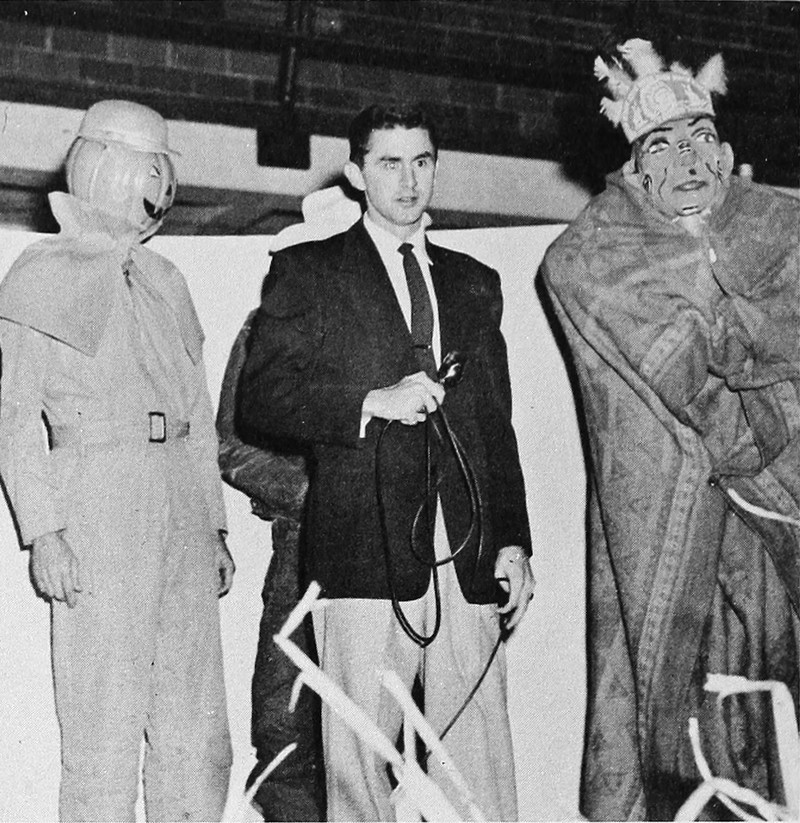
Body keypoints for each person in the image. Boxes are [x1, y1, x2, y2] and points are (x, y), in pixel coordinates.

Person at [238, 103, 535, 821]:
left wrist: (514, 541)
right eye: (389, 163)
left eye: (421, 162)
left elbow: (495, 426)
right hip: (362, 547)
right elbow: (261, 399)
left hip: (465, 549)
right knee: (359, 764)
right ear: (356, 172)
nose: (408, 181)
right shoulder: (309, 271)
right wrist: (371, 401)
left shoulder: (474, 282)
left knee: (478, 763)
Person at [541, 40, 799, 821]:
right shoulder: (592, 254)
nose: (686, 160)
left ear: (724, 154)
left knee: (776, 699)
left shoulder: (780, 227)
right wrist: (739, 335)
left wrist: (728, 325)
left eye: (700, 140)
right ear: (635, 167)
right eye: (661, 146)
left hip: (777, 515)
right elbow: (690, 367)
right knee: (691, 715)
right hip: (676, 524)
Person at [0, 100, 234, 821]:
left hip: (182, 512)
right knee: (102, 733)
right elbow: (14, 414)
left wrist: (214, 528)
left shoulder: (168, 280)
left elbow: (196, 417)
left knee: (198, 738)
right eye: (145, 167)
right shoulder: (39, 273)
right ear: (101, 166)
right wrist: (44, 530)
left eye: (163, 169)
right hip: (98, 504)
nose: (157, 185)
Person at [216, 309, 325, 821]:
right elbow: (230, 444)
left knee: (378, 736)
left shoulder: (397, 316)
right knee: (283, 735)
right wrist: (315, 495)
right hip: (299, 552)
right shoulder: (269, 324)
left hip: (386, 561)